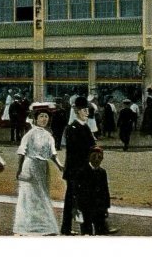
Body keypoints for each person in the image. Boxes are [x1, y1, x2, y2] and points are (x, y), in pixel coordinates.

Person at [13, 109, 63, 236]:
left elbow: (53, 154)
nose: (44, 119)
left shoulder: (48, 136)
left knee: (42, 194)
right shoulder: (30, 134)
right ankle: (26, 225)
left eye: (46, 117)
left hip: (42, 168)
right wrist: (19, 170)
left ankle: (42, 225)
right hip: (30, 165)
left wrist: (59, 166)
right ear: (35, 119)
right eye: (41, 116)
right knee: (29, 195)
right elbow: (22, 152)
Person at [60, 96, 96, 236]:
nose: (87, 112)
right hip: (76, 171)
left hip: (82, 170)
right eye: (84, 110)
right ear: (76, 111)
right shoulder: (72, 128)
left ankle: (73, 229)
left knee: (78, 200)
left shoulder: (85, 127)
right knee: (75, 201)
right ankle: (75, 229)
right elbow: (76, 151)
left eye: (87, 110)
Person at [75, 147, 116, 235]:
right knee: (86, 231)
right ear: (89, 157)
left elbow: (105, 190)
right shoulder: (82, 172)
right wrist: (77, 206)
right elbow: (77, 191)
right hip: (86, 207)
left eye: (99, 157)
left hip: (99, 207)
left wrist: (106, 207)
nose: (97, 160)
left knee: (100, 231)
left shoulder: (102, 172)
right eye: (94, 157)